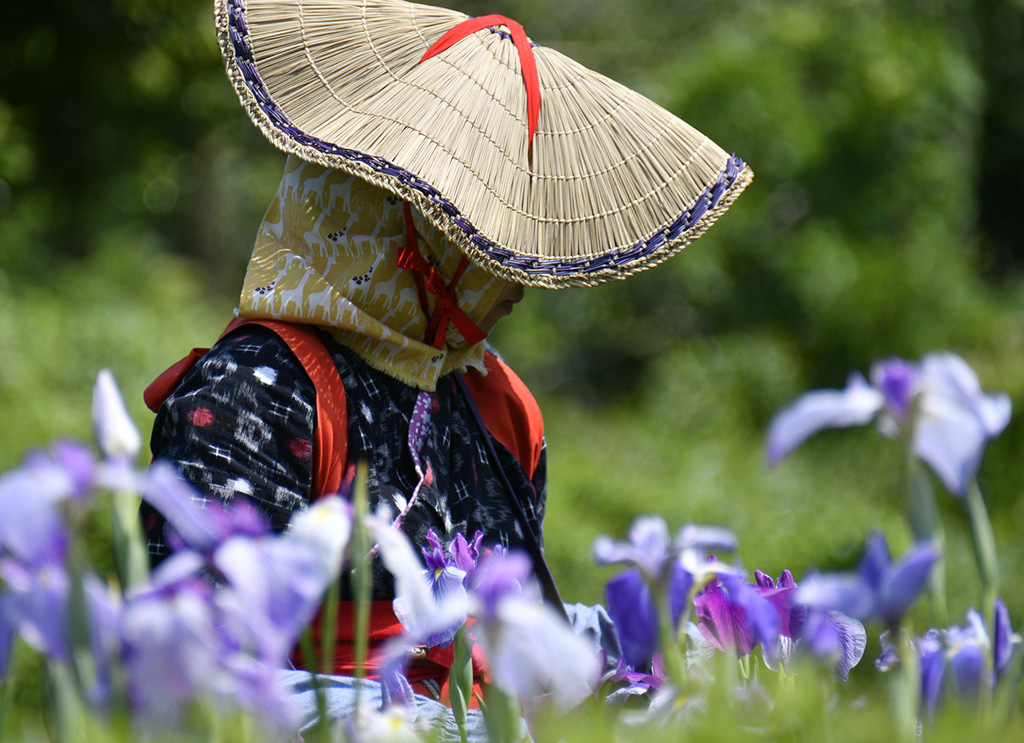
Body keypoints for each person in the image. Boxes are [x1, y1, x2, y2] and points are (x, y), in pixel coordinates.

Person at [143, 0, 752, 736]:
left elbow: (525, 639)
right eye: (484, 248)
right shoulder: (256, 396)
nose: (518, 285)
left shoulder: (496, 405)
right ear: (408, 233)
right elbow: (192, 679)